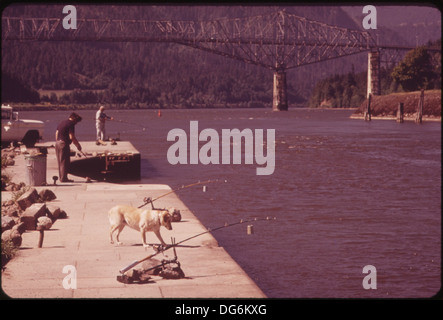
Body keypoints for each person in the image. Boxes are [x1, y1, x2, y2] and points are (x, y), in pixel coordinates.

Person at [55, 112, 83, 182]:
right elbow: (71, 137)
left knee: (60, 161)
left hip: (57, 143)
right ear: (74, 119)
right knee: (65, 161)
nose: (76, 123)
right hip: (63, 144)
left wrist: (58, 141)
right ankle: (64, 178)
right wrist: (78, 145)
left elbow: (56, 133)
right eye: (76, 121)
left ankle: (61, 177)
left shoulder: (62, 122)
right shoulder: (71, 124)